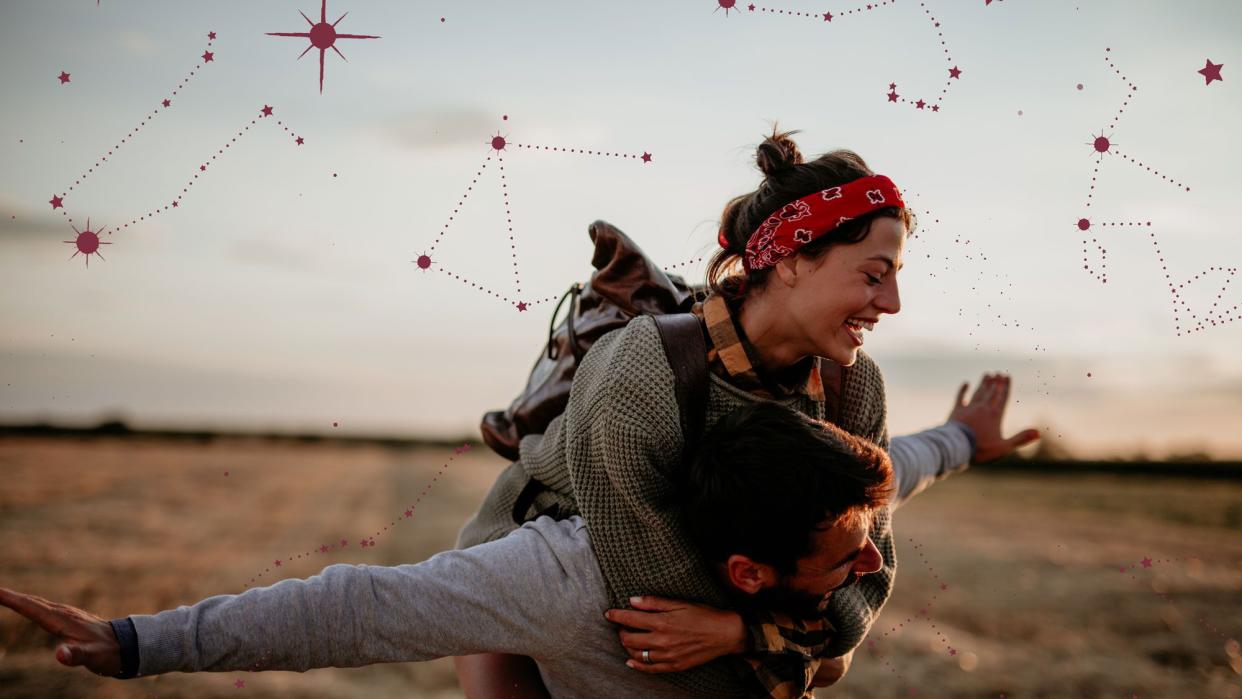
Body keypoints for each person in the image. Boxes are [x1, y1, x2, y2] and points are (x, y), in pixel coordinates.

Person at [453, 127, 1041, 697]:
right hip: (523, 600)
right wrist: (796, 644)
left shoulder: (853, 385)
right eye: (872, 275)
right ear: (790, 260)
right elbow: (654, 599)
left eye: (895, 278)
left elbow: (867, 570)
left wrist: (744, 634)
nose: (891, 303)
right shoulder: (647, 362)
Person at [3, 401, 974, 698]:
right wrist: (136, 642)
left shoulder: (817, 497)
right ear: (749, 570)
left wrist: (968, 436)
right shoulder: (567, 575)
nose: (875, 568)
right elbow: (357, 610)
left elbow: (909, 460)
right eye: (850, 556)